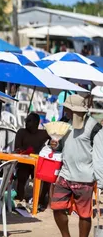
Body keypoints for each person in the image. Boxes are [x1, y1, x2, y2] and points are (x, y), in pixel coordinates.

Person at [51, 94, 103, 237]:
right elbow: (59, 146)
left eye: (67, 109)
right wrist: (54, 144)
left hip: (85, 178)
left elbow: (99, 157)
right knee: (57, 207)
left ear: (76, 111)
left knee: (84, 214)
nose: (65, 112)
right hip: (65, 175)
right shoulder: (64, 123)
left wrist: (101, 182)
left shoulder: (95, 128)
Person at [14, 113, 52, 210]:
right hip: (24, 161)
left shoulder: (43, 133)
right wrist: (24, 151)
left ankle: (41, 199)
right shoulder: (22, 132)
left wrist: (50, 146)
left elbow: (54, 136)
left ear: (37, 122)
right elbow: (17, 148)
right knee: (22, 174)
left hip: (37, 162)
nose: (27, 123)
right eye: (27, 120)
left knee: (45, 177)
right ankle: (20, 197)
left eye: (30, 121)